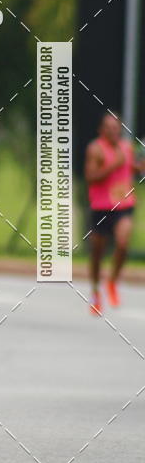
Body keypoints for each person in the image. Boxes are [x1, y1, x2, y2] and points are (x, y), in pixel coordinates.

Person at [84, 111, 145, 315]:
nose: (113, 132)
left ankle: (112, 281)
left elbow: (130, 168)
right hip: (101, 207)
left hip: (124, 204)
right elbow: (91, 177)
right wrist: (113, 165)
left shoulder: (126, 148)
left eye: (116, 128)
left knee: (123, 242)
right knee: (97, 254)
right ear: (102, 130)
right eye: (109, 128)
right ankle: (95, 292)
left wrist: (139, 167)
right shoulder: (95, 149)